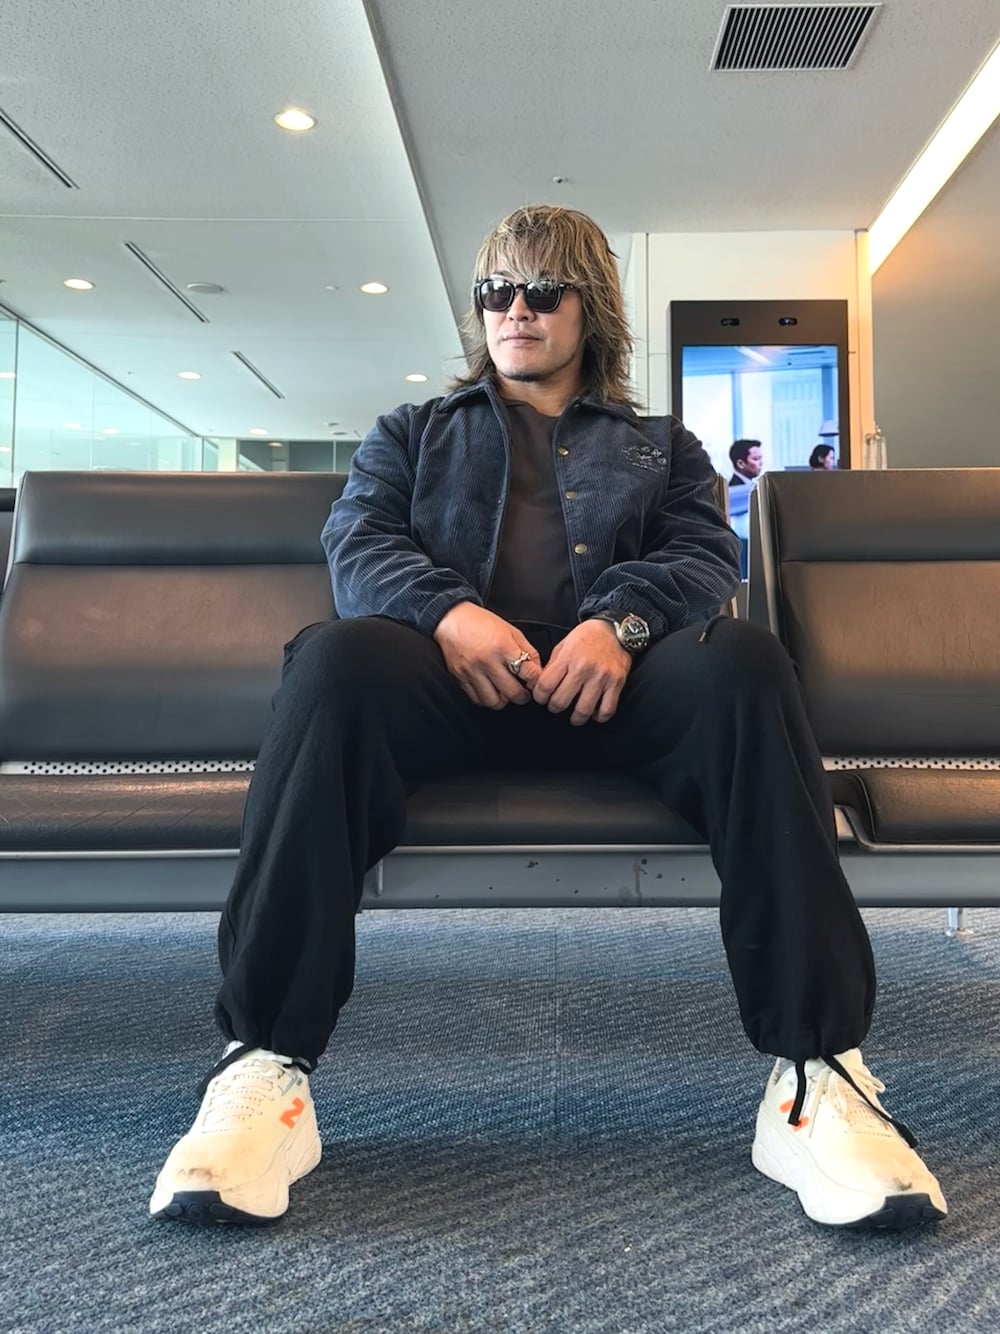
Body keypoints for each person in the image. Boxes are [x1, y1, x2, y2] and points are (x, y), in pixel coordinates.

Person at [150, 204, 947, 1232]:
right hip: (451, 687)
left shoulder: (661, 445)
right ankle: (265, 1063)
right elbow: (358, 544)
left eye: (541, 289)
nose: (514, 309)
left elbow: (704, 556)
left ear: (590, 308)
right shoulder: (410, 434)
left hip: (612, 690)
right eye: (496, 290)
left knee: (746, 663)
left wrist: (618, 623)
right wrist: (451, 613)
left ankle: (815, 1070)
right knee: (333, 659)